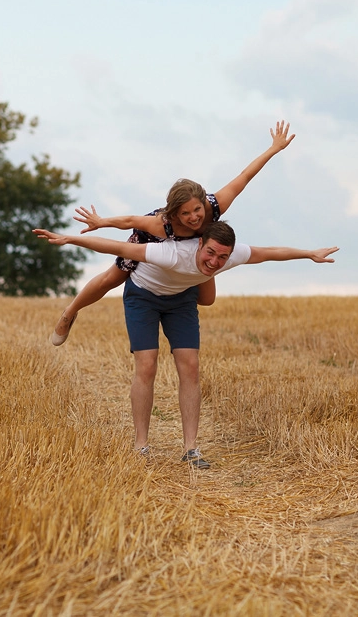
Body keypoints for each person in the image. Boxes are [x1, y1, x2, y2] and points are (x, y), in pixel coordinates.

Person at [34, 221, 338, 469]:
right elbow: (118, 247)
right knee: (147, 365)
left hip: (181, 301)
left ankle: (191, 449)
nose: (215, 261)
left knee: (190, 367)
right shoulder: (171, 253)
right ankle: (141, 446)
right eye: (210, 253)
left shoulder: (229, 255)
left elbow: (269, 252)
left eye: (222, 257)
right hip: (143, 297)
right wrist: (70, 239)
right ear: (200, 243)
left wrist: (309, 253)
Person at [50, 120, 296, 346]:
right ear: (174, 214)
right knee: (110, 280)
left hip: (197, 252)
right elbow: (129, 220)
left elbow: (245, 176)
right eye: (185, 214)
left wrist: (273, 148)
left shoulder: (215, 204)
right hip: (149, 242)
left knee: (207, 299)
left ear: (204, 203)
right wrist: (101, 222)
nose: (194, 218)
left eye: (197, 210)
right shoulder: (161, 224)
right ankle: (70, 312)